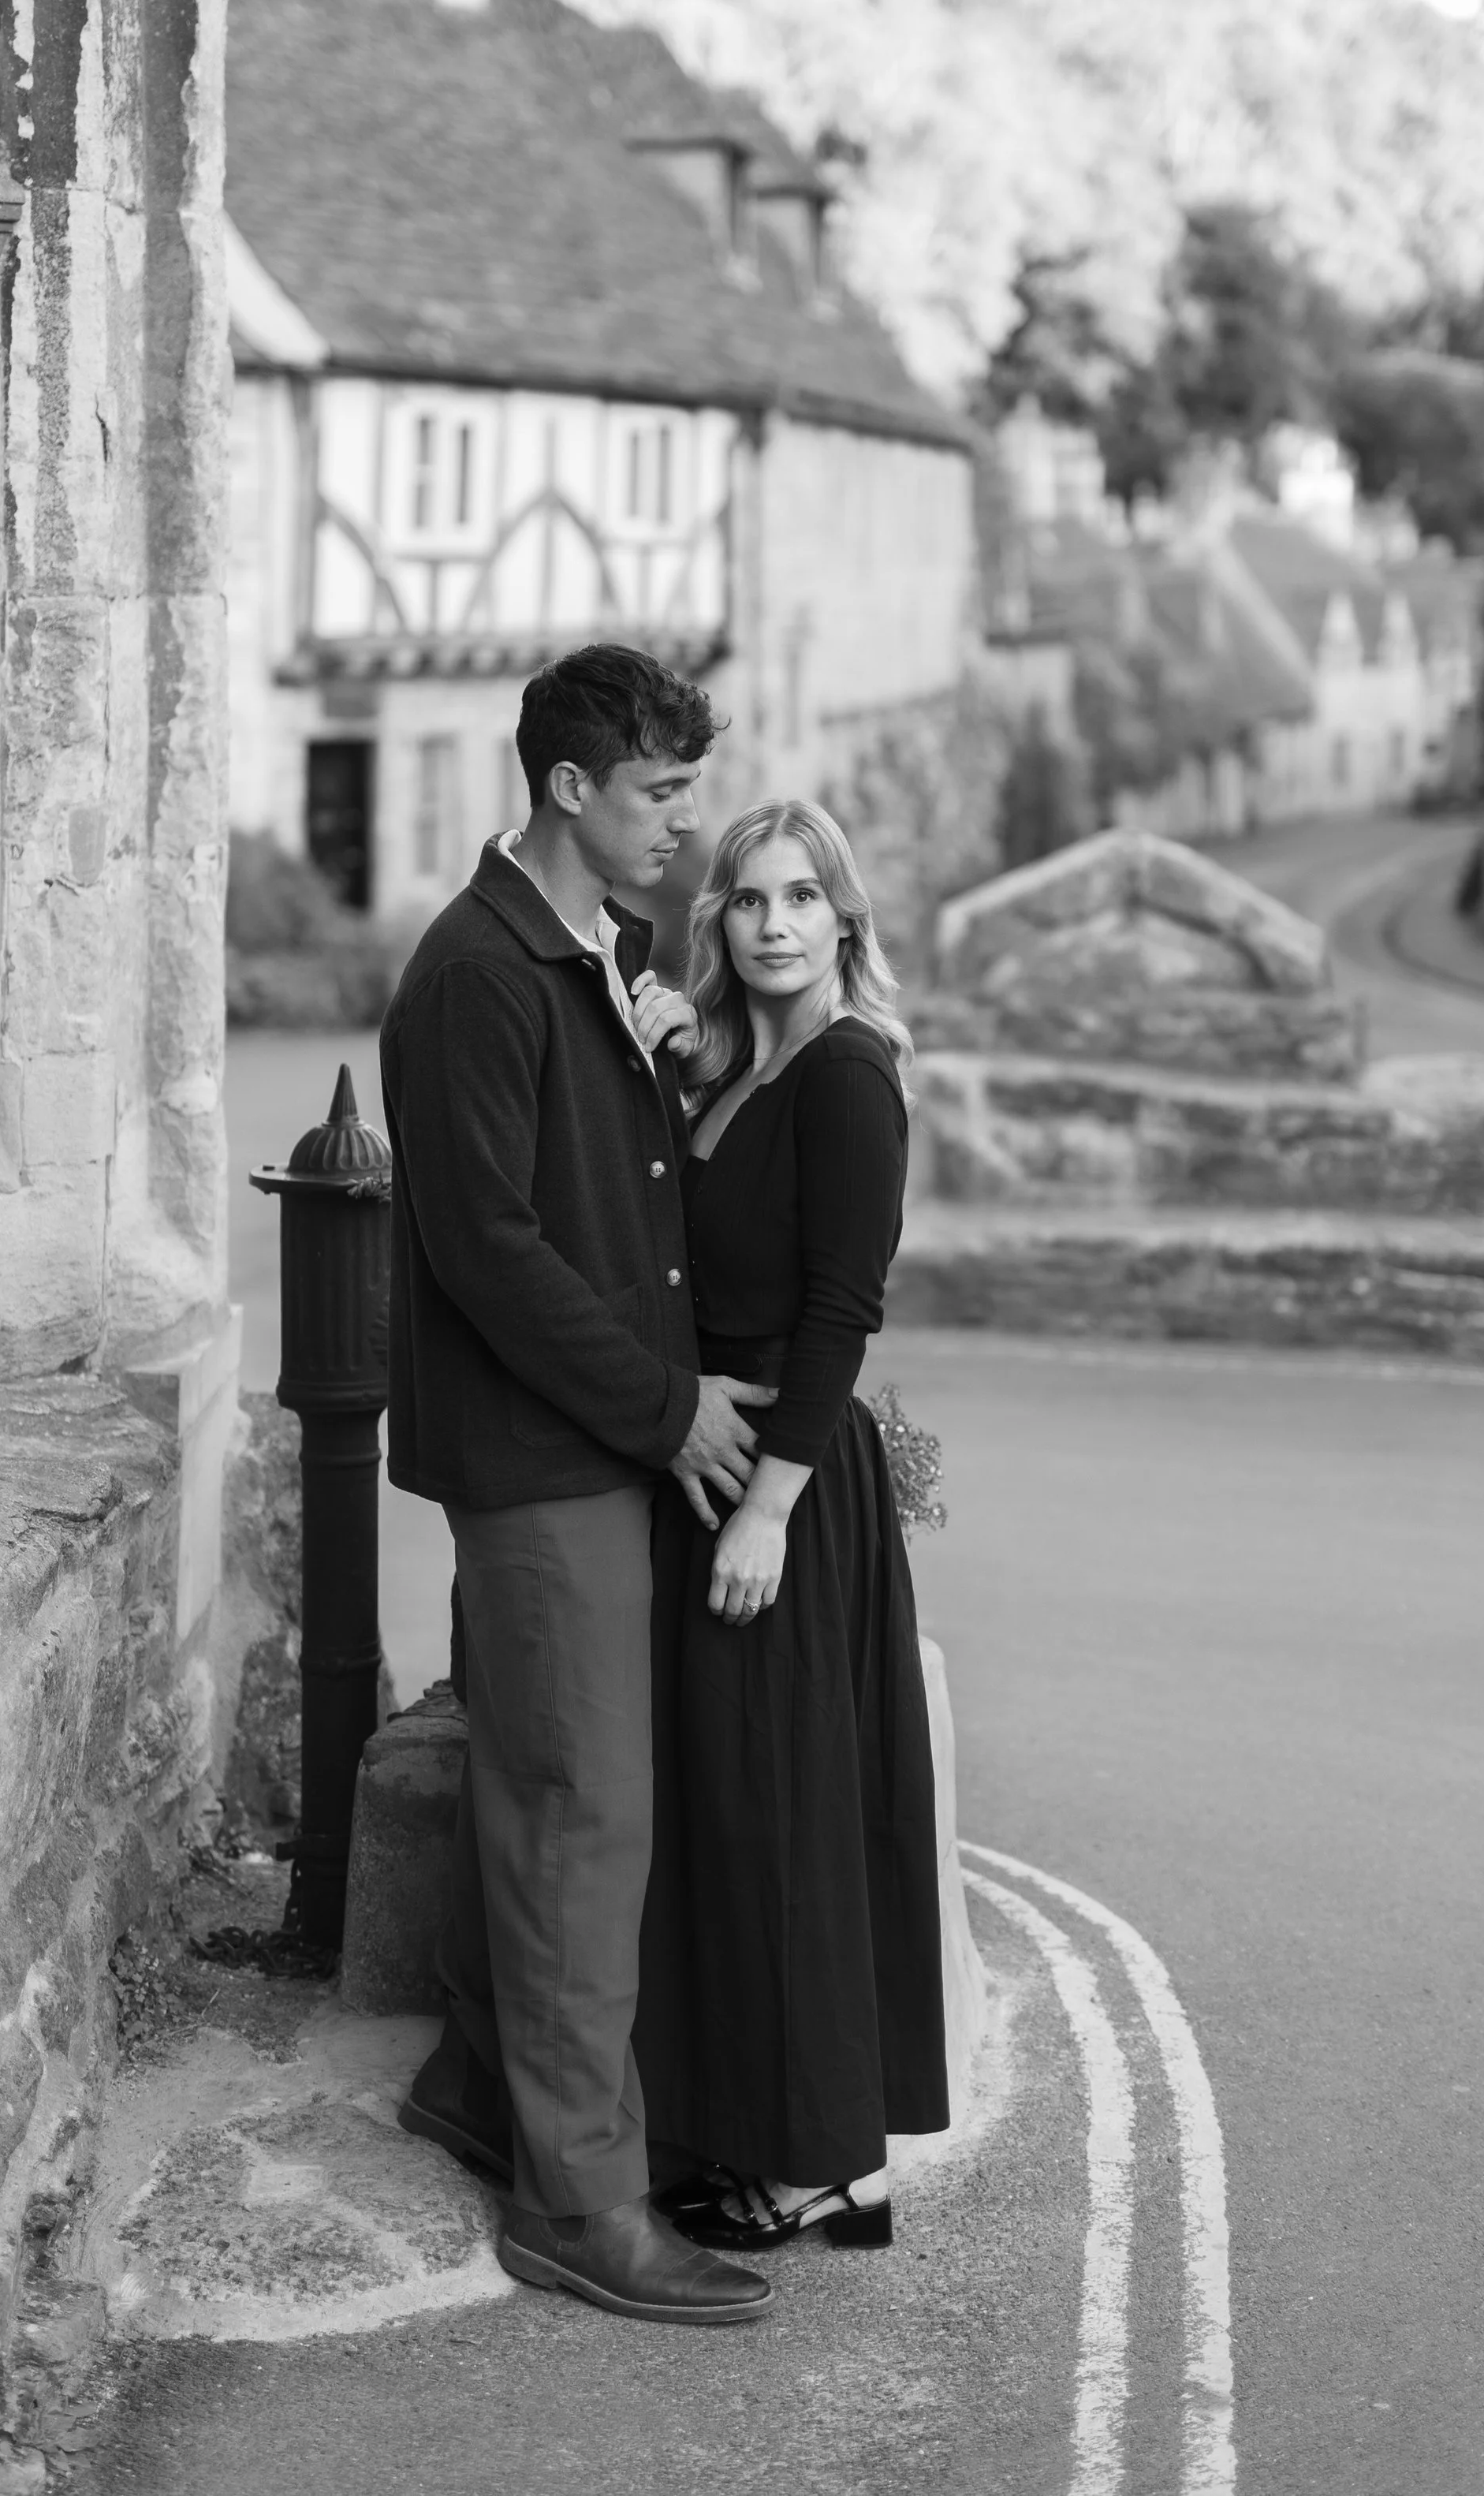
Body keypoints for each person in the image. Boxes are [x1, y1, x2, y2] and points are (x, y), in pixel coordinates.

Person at [379, 644, 776, 2326]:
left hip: (586, 1443)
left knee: (533, 1786)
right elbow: (486, 1249)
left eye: (686, 791)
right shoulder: (476, 973)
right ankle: (579, 2203)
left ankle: (478, 2087)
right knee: (577, 1814)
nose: (682, 826)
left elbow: (600, 1199)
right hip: (547, 1454)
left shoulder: (595, 954)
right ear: (565, 789)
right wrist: (664, 1410)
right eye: (658, 794)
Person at [636, 798, 949, 2249]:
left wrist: (768, 1507)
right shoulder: (731, 1071)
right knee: (746, 1820)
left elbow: (842, 1309)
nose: (769, 922)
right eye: (746, 900)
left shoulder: (847, 1077)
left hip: (787, 1497)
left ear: (843, 919)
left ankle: (827, 2155)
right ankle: (799, 2140)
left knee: (788, 1825)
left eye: (798, 899)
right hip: (717, 1470)